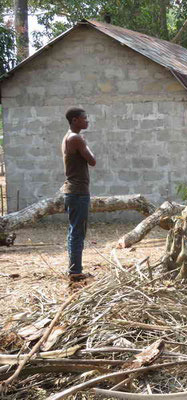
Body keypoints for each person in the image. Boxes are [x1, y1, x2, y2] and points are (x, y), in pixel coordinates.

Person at [61, 107, 96, 282]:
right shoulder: (76, 138)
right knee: (78, 232)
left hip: (72, 192)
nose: (87, 121)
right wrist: (86, 145)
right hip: (78, 193)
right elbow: (92, 160)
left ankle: (74, 268)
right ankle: (75, 272)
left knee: (73, 230)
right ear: (75, 120)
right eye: (84, 118)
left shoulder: (68, 137)